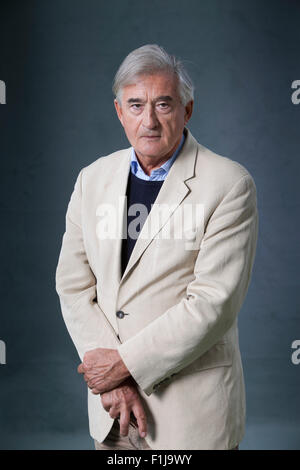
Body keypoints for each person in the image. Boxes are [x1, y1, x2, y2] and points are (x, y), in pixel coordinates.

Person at [55, 44, 258, 450]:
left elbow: (211, 304)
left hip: (192, 419)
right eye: (135, 105)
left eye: (163, 104)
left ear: (187, 110)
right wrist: (112, 382)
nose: (148, 120)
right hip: (113, 414)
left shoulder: (229, 185)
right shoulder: (91, 179)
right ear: (119, 112)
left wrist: (121, 367)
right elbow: (73, 285)